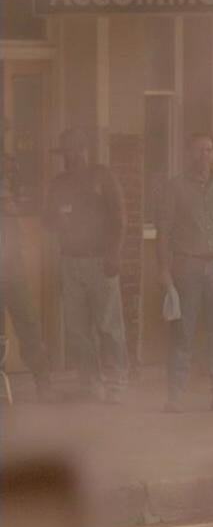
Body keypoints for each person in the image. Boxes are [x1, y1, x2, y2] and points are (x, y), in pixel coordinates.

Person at [156, 134, 213, 412]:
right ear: (188, 154)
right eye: (197, 150)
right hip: (187, 266)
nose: (203, 155)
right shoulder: (175, 188)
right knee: (183, 332)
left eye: (208, 150)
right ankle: (175, 396)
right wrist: (164, 269)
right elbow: (164, 232)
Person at [44, 127, 128, 403]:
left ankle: (117, 382)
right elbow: (47, 221)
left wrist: (114, 254)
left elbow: (119, 218)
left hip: (100, 259)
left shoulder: (102, 176)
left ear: (85, 150)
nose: (71, 155)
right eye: (67, 150)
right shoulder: (59, 183)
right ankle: (91, 383)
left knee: (109, 325)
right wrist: (58, 220)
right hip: (70, 261)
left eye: (76, 149)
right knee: (77, 328)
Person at [2, 153, 52, 400]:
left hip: (13, 269)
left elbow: (27, 207)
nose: (9, 173)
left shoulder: (15, 191)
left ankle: (43, 381)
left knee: (29, 324)